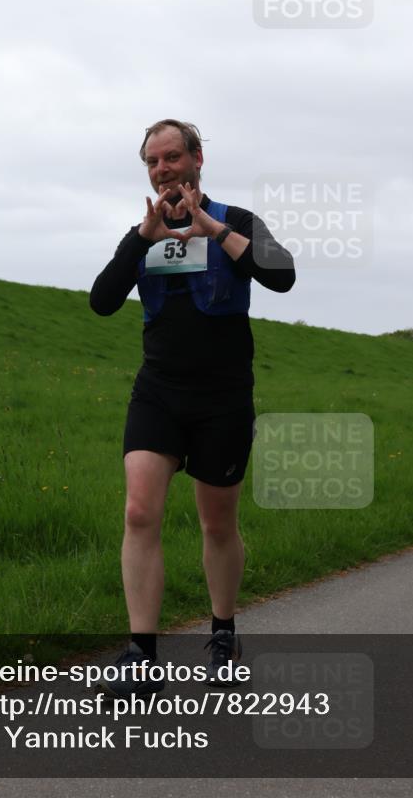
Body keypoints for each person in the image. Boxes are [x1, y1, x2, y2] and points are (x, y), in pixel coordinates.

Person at [89, 119, 296, 697]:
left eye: (172, 157)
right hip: (158, 390)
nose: (163, 170)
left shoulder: (237, 221)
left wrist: (211, 228)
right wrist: (142, 240)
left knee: (217, 522)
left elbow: (283, 277)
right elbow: (101, 302)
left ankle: (223, 631)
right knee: (138, 512)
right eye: (153, 162)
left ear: (198, 159)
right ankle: (141, 655)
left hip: (223, 396)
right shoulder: (144, 233)